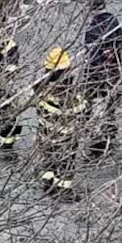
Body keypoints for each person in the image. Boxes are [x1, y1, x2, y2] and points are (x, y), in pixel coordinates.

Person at [35, 48, 89, 201]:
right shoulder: (67, 93)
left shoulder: (40, 87)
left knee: (49, 158)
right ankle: (63, 192)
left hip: (45, 132)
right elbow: (77, 110)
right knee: (66, 164)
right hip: (65, 135)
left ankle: (48, 183)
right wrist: (84, 101)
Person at [82, 0, 122, 158]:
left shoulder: (92, 31)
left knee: (96, 110)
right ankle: (110, 136)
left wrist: (88, 82)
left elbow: (92, 60)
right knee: (110, 109)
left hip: (99, 79)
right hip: (116, 76)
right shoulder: (113, 22)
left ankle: (99, 147)